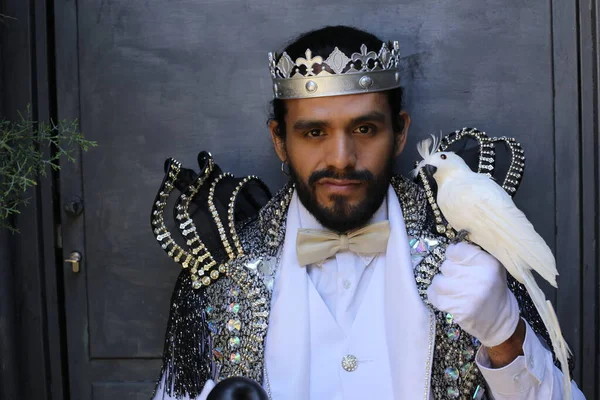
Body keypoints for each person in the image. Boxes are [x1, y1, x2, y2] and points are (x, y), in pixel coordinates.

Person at [151, 26, 586, 399]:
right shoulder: (222, 271)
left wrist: (506, 336)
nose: (341, 157)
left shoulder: (470, 252)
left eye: (364, 128)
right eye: (314, 132)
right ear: (280, 140)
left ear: (400, 134)